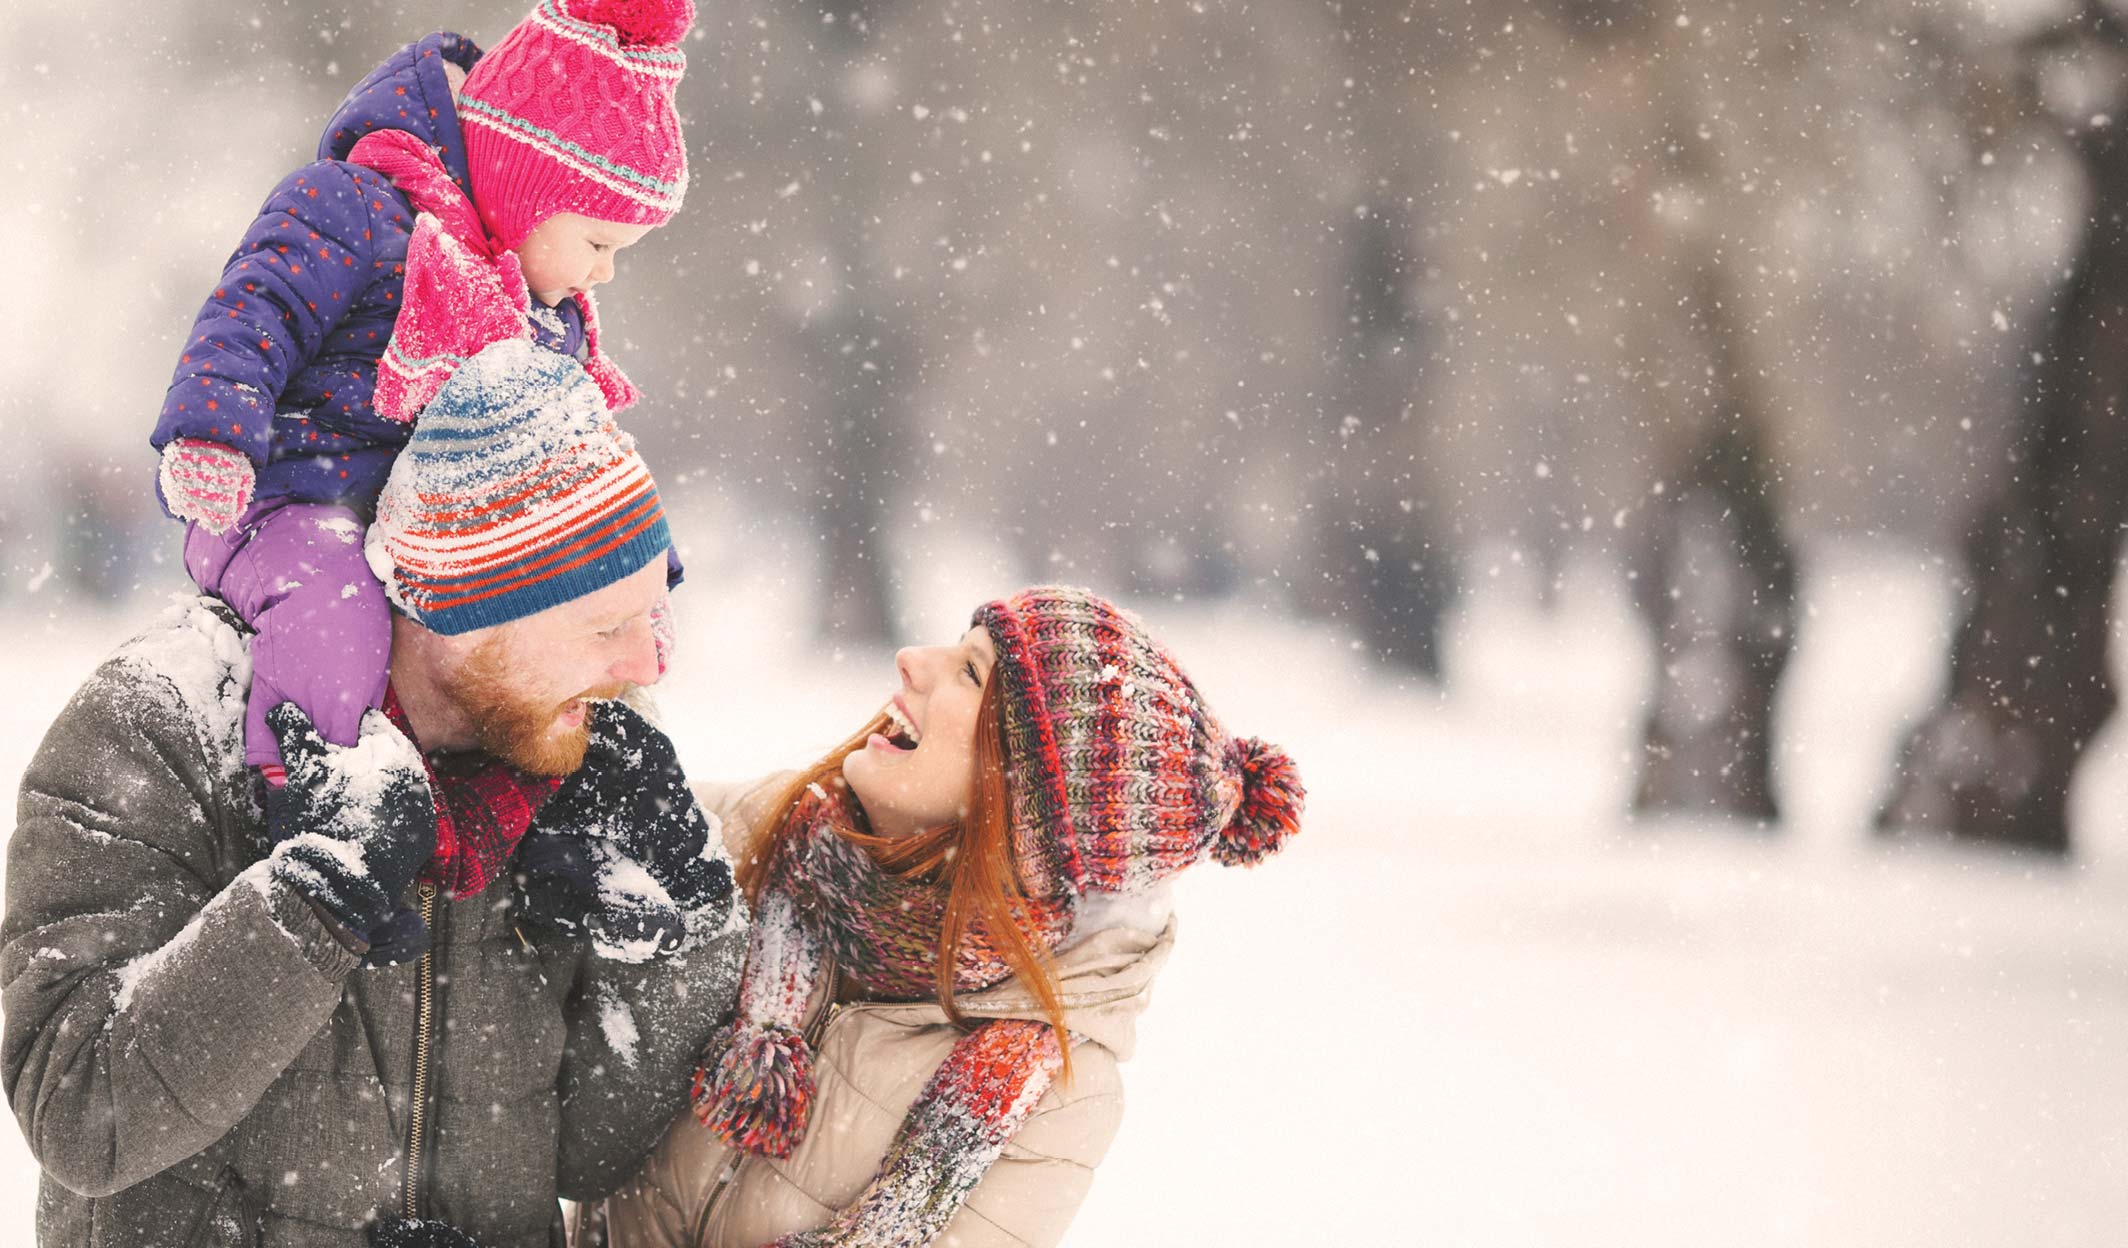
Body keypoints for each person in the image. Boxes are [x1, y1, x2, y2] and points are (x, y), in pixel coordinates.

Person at [4, 340, 744, 1247]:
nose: (646, 664)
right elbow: (80, 1110)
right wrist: (319, 893)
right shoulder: (167, 723)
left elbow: (587, 1157)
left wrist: (683, 919)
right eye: (606, 627)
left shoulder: (570, 759)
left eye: (652, 613)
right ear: (459, 615)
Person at [594, 586, 1306, 1247]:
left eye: (970, 672)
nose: (911, 660)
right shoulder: (769, 834)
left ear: (1027, 807)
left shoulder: (1051, 1101)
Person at [147, 0, 694, 800]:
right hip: (286, 502)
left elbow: (585, 471)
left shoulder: (544, 323)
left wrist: (638, 591)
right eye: (600, 243)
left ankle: (548, 823)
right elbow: (253, 314)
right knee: (337, 613)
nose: (604, 272)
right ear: (522, 186)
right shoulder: (353, 213)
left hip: (428, 537)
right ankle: (313, 791)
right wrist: (213, 438)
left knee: (542, 662)